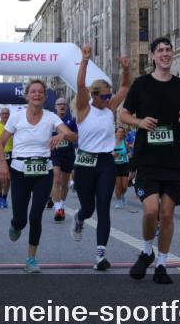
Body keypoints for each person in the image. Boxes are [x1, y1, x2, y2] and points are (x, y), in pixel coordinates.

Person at [120, 37, 180, 285]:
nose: (165, 54)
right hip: (147, 160)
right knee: (151, 210)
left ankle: (162, 264)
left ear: (172, 54)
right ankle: (146, 251)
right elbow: (123, 114)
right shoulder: (141, 84)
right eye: (160, 50)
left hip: (173, 161)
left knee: (167, 213)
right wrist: (139, 122)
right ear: (153, 56)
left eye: (168, 50)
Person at [0, 80, 77, 273]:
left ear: (45, 97)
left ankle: (31, 259)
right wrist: (3, 164)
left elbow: (73, 136)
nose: (37, 94)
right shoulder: (16, 117)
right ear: (27, 96)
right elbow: (0, 144)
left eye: (40, 92)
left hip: (43, 172)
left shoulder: (51, 117)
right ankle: (16, 224)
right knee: (21, 219)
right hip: (19, 170)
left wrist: (62, 135)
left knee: (35, 216)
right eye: (33, 91)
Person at [70, 45, 130, 272]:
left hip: (106, 162)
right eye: (103, 96)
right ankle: (79, 218)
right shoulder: (84, 109)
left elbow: (125, 87)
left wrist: (126, 69)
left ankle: (100, 255)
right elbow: (79, 85)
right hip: (85, 162)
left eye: (108, 96)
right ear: (94, 95)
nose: (107, 99)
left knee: (103, 206)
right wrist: (85, 60)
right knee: (88, 209)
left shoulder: (110, 108)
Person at [50, 97, 78, 222]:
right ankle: (57, 209)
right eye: (59, 104)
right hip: (55, 153)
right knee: (56, 179)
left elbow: (76, 137)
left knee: (64, 183)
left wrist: (64, 135)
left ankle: (62, 204)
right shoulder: (51, 120)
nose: (61, 106)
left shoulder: (72, 120)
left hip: (68, 153)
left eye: (64, 104)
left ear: (66, 107)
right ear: (55, 106)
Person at [113, 127, 132, 208]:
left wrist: (129, 155)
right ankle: (118, 201)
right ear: (115, 133)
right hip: (115, 166)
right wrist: (112, 154)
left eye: (122, 132)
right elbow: (107, 153)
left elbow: (129, 153)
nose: (121, 133)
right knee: (118, 186)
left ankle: (122, 195)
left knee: (124, 186)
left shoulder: (125, 142)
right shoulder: (111, 143)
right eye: (119, 132)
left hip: (124, 165)